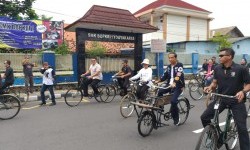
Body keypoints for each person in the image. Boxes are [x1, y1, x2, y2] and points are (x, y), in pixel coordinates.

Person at [202, 48, 250, 150]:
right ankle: (215, 138)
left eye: (221, 55)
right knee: (204, 117)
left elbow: (248, 85)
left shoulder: (241, 69)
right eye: (219, 55)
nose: (219, 57)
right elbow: (215, 82)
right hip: (221, 99)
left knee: (242, 128)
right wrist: (210, 87)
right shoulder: (218, 68)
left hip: (236, 100)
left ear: (229, 57)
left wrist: (243, 91)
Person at [155, 52, 185, 126]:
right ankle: (161, 106)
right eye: (169, 58)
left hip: (178, 86)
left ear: (175, 58)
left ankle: (176, 119)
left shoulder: (179, 65)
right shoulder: (168, 67)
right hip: (169, 85)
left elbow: (178, 75)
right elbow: (164, 75)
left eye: (172, 57)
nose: (170, 59)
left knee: (173, 102)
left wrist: (174, 83)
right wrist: (158, 80)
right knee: (160, 91)